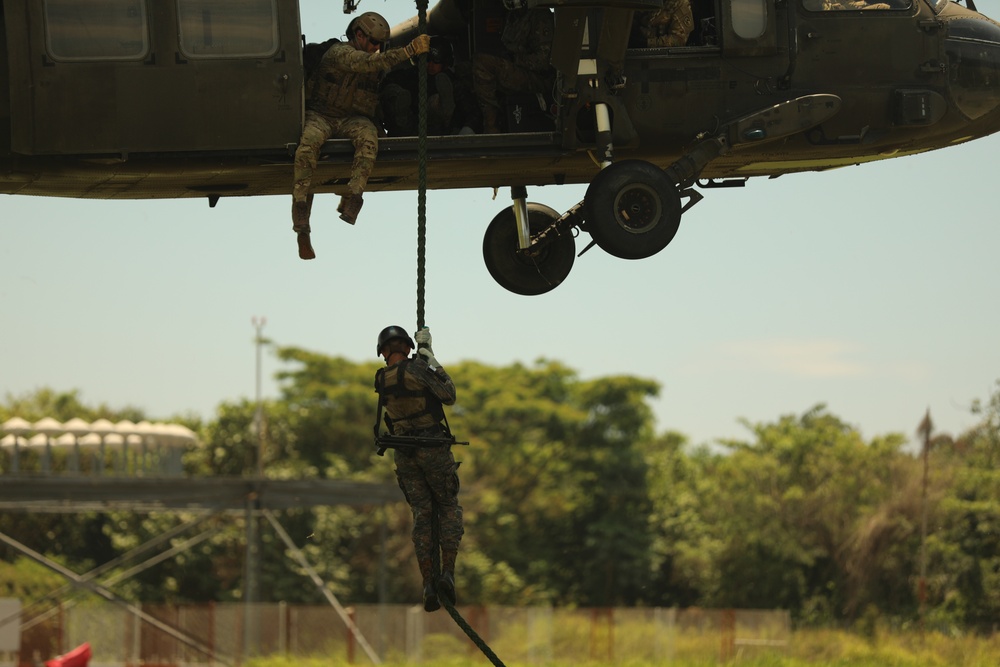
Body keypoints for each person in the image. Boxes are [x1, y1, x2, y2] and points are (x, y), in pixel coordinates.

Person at [291, 13, 431, 260]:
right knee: (308, 146)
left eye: (380, 45)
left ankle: (354, 196)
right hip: (321, 114)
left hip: (349, 118)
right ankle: (301, 213)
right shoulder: (340, 53)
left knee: (368, 140)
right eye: (374, 43)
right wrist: (409, 50)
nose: (377, 49)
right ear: (358, 36)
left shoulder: (373, 63)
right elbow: (367, 63)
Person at [374, 325, 463, 612]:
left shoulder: (381, 379)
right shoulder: (418, 370)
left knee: (422, 515)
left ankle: (427, 583)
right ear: (408, 347)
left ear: (383, 351)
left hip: (405, 455)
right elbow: (448, 394)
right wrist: (432, 359)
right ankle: (447, 573)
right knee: (448, 507)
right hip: (432, 448)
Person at [471, 0, 555, 134]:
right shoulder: (513, 16)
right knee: (467, 68)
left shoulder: (540, 16)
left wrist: (514, 59)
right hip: (519, 70)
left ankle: (491, 125)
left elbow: (544, 62)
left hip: (537, 79)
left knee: (482, 63)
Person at [380, 37, 466, 136]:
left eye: (436, 61)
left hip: (434, 128)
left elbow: (466, 108)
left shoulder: (451, 82)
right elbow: (386, 87)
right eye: (427, 60)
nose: (430, 65)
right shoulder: (408, 76)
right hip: (406, 128)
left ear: (445, 63)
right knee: (394, 91)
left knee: (435, 102)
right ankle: (402, 115)